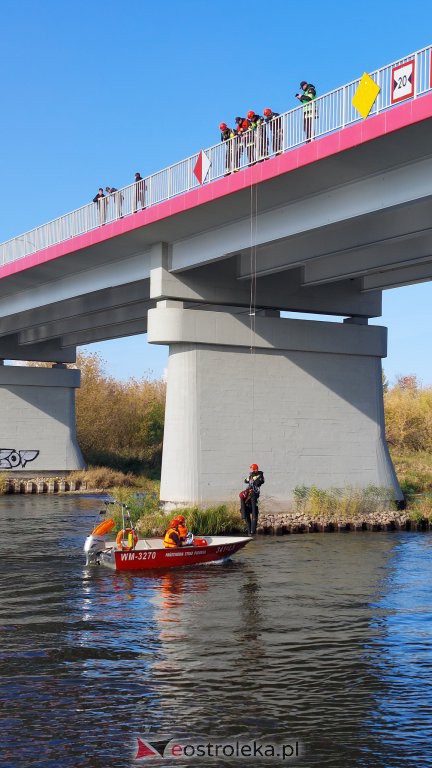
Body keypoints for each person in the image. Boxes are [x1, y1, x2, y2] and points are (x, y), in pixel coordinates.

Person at [240, 463, 265, 535]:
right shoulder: (251, 475)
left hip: (254, 494)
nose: (253, 471)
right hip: (249, 493)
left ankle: (252, 531)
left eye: (253, 469)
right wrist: (250, 478)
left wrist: (253, 479)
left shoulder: (260, 475)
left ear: (256, 469)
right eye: (252, 470)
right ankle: (244, 515)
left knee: (254, 512)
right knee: (241, 496)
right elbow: (245, 480)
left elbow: (259, 482)